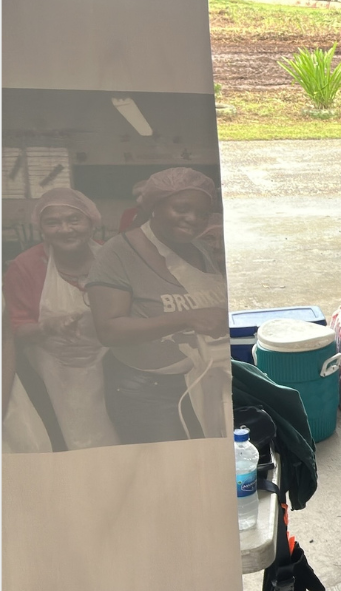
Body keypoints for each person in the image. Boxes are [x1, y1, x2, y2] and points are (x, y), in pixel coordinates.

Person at [86, 167, 230, 443]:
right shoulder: (118, 253)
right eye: (182, 208)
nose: (194, 219)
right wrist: (187, 319)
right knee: (167, 476)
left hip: (203, 383)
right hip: (149, 396)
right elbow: (109, 330)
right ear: (155, 205)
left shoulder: (197, 248)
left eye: (203, 213)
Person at [2, 186, 118, 449]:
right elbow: (17, 329)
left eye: (73, 220)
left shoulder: (113, 257)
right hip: (51, 373)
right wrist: (48, 327)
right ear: (41, 228)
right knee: (64, 444)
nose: (65, 229)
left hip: (112, 366)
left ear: (91, 221)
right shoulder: (25, 265)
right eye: (53, 223)